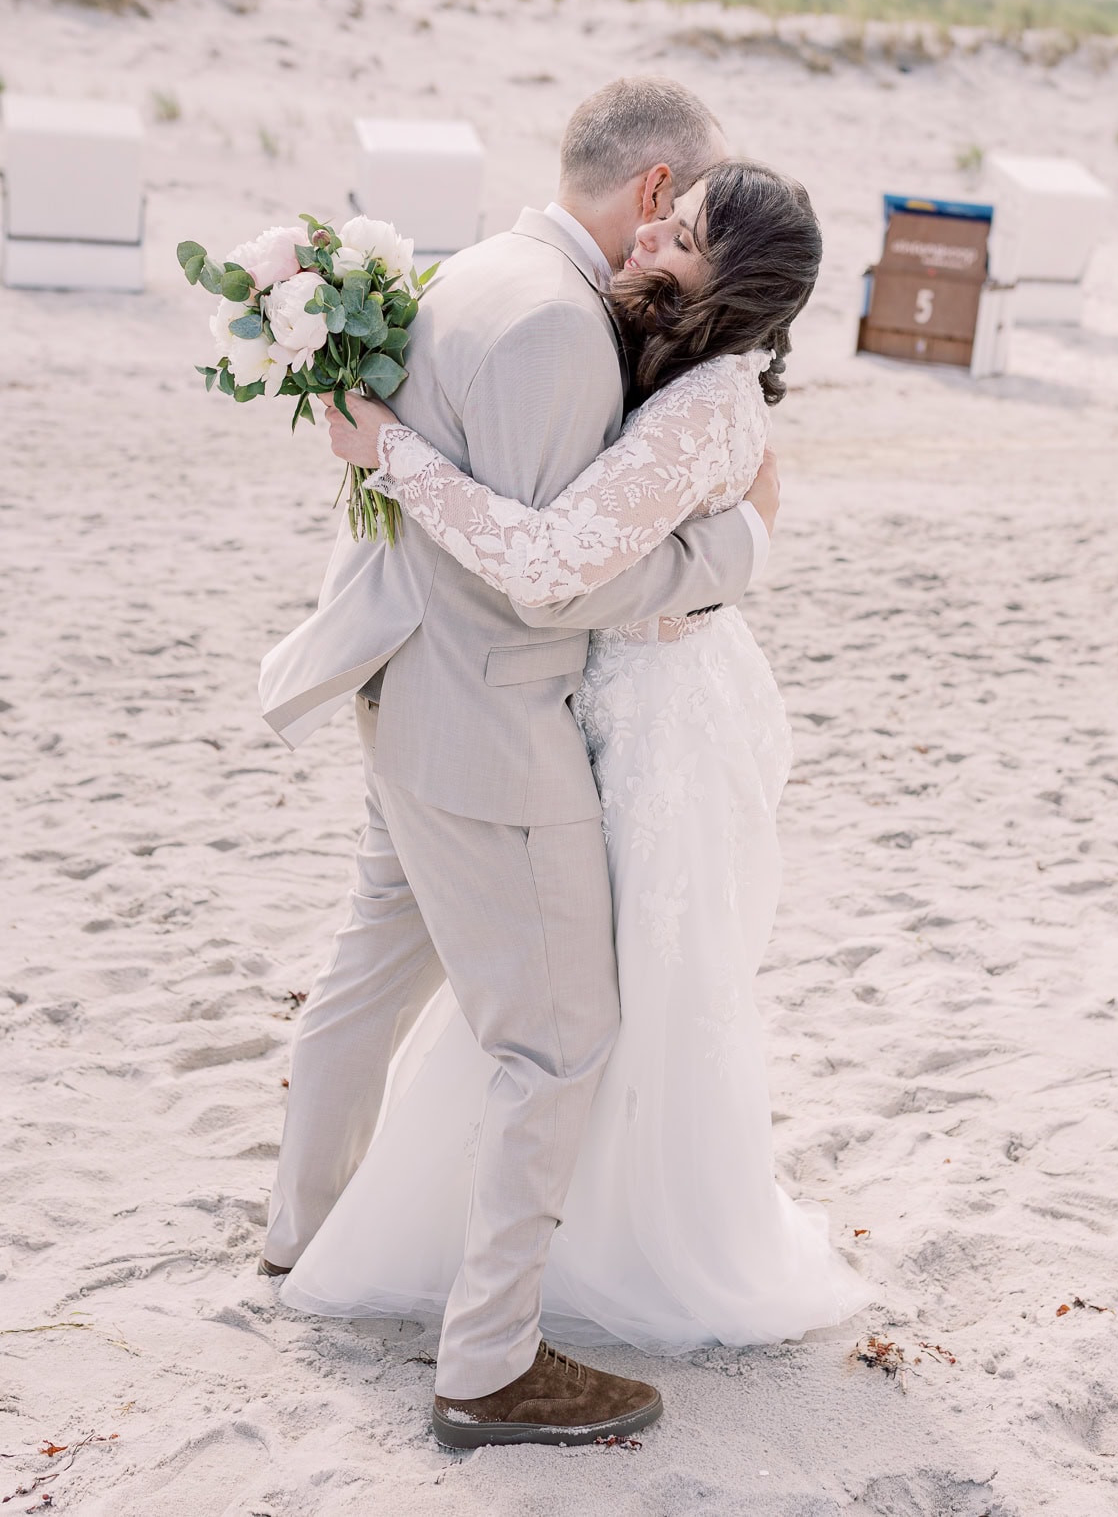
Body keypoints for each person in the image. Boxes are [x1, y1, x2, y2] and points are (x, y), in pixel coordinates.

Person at [279, 160, 869, 1413]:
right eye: (665, 212)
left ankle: (373, 1264)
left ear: (737, 283)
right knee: (553, 1016)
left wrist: (390, 448)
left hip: (622, 718)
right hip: (535, 711)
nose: (655, 234)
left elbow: (547, 566)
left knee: (604, 1004)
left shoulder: (700, 398)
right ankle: (450, 1318)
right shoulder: (612, 337)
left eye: (688, 235)